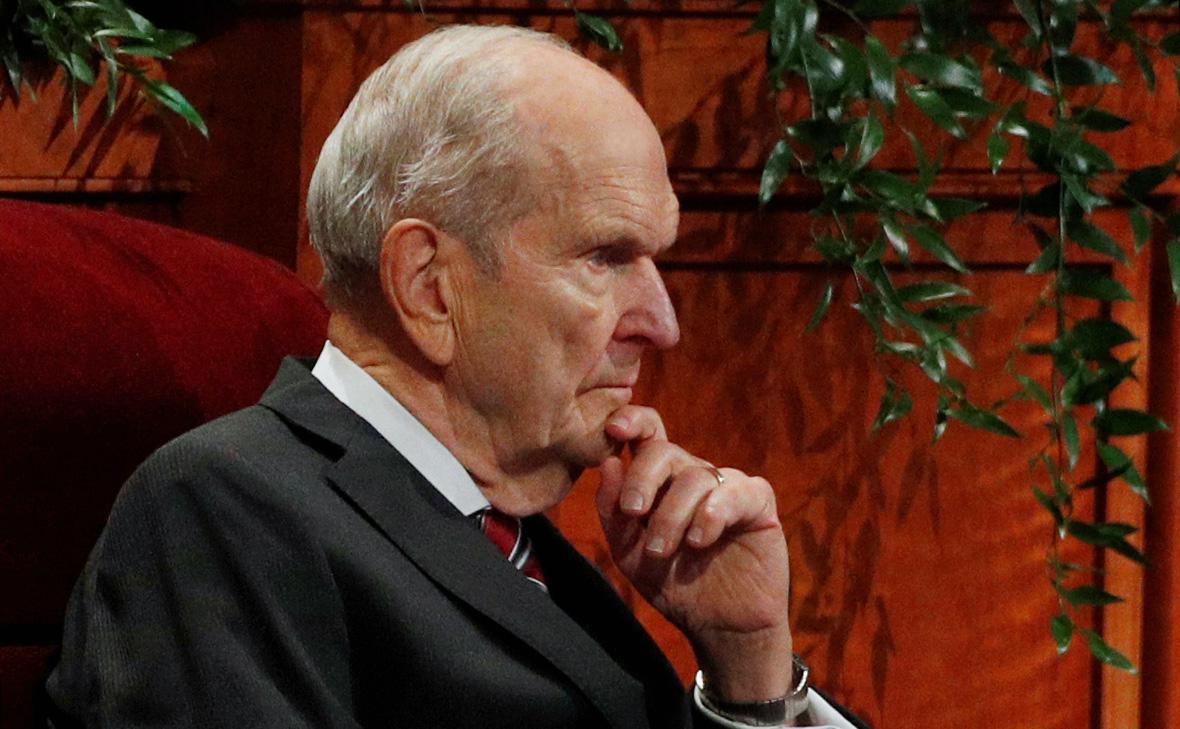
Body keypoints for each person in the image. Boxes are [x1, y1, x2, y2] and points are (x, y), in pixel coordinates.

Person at [45, 24, 868, 729]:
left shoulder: (512, 539)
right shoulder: (221, 511)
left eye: (654, 261)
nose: (662, 322)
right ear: (429, 287)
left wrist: (752, 669)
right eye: (606, 256)